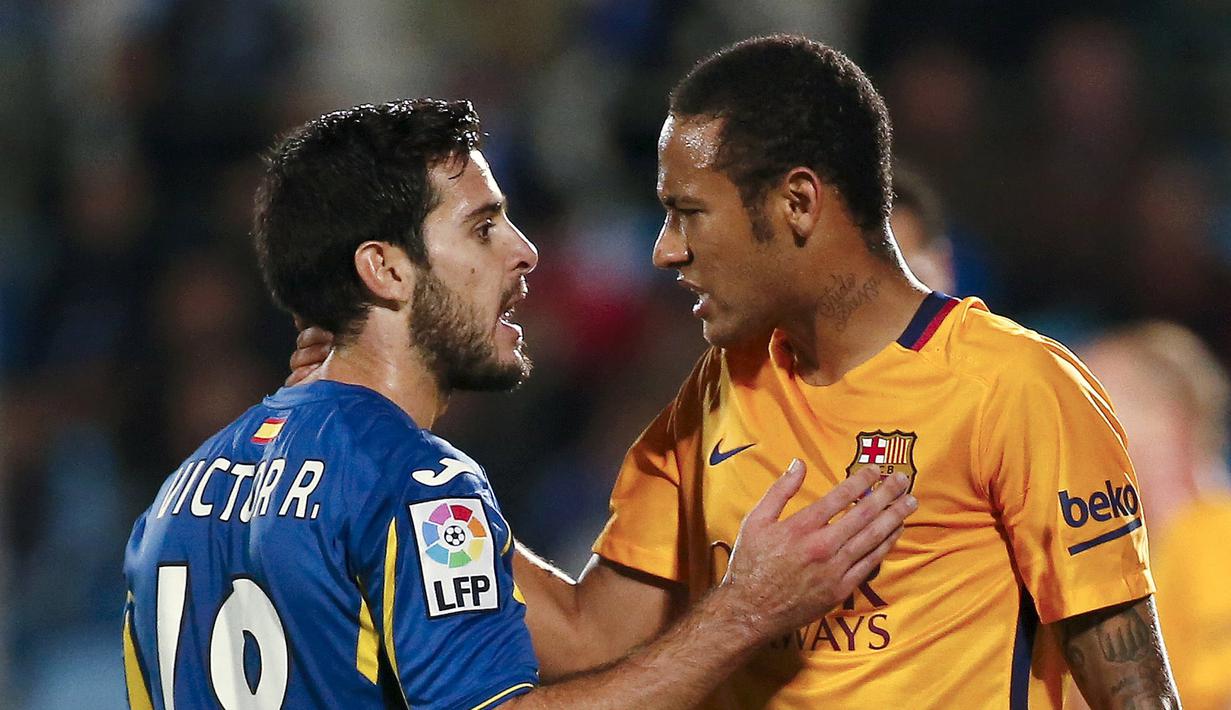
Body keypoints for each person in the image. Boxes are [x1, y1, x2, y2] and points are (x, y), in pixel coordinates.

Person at [288, 37, 1180, 709]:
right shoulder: (716, 396)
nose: (664, 250)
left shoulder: (1017, 388)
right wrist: (388, 444)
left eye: (689, 214)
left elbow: (1133, 690)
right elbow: (588, 636)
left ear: (796, 203)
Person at [121, 99, 915, 710]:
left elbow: (582, 634)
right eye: (483, 226)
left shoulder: (174, 501)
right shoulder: (417, 485)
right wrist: (748, 612)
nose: (524, 250)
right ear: (386, 270)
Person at [1075, 322, 1231, 710]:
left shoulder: (1216, 537)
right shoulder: (1128, 561)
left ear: (1168, 421)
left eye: (1091, 405)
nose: (1071, 433)